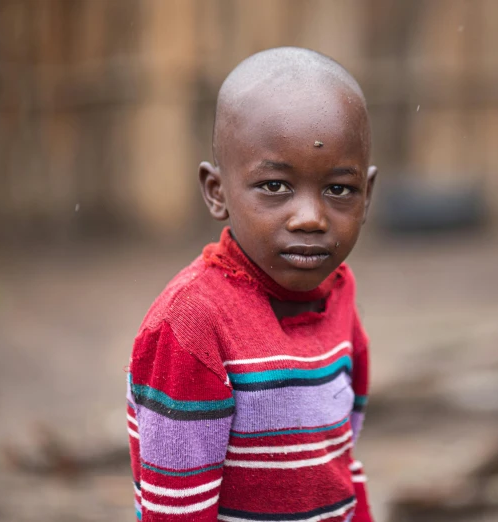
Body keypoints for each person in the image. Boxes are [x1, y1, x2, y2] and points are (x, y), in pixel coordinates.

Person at [126, 46, 377, 522]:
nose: (310, 218)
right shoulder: (192, 323)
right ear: (217, 192)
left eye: (338, 189)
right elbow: (176, 512)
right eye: (275, 186)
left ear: (368, 196)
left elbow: (341, 465)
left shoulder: (340, 292)